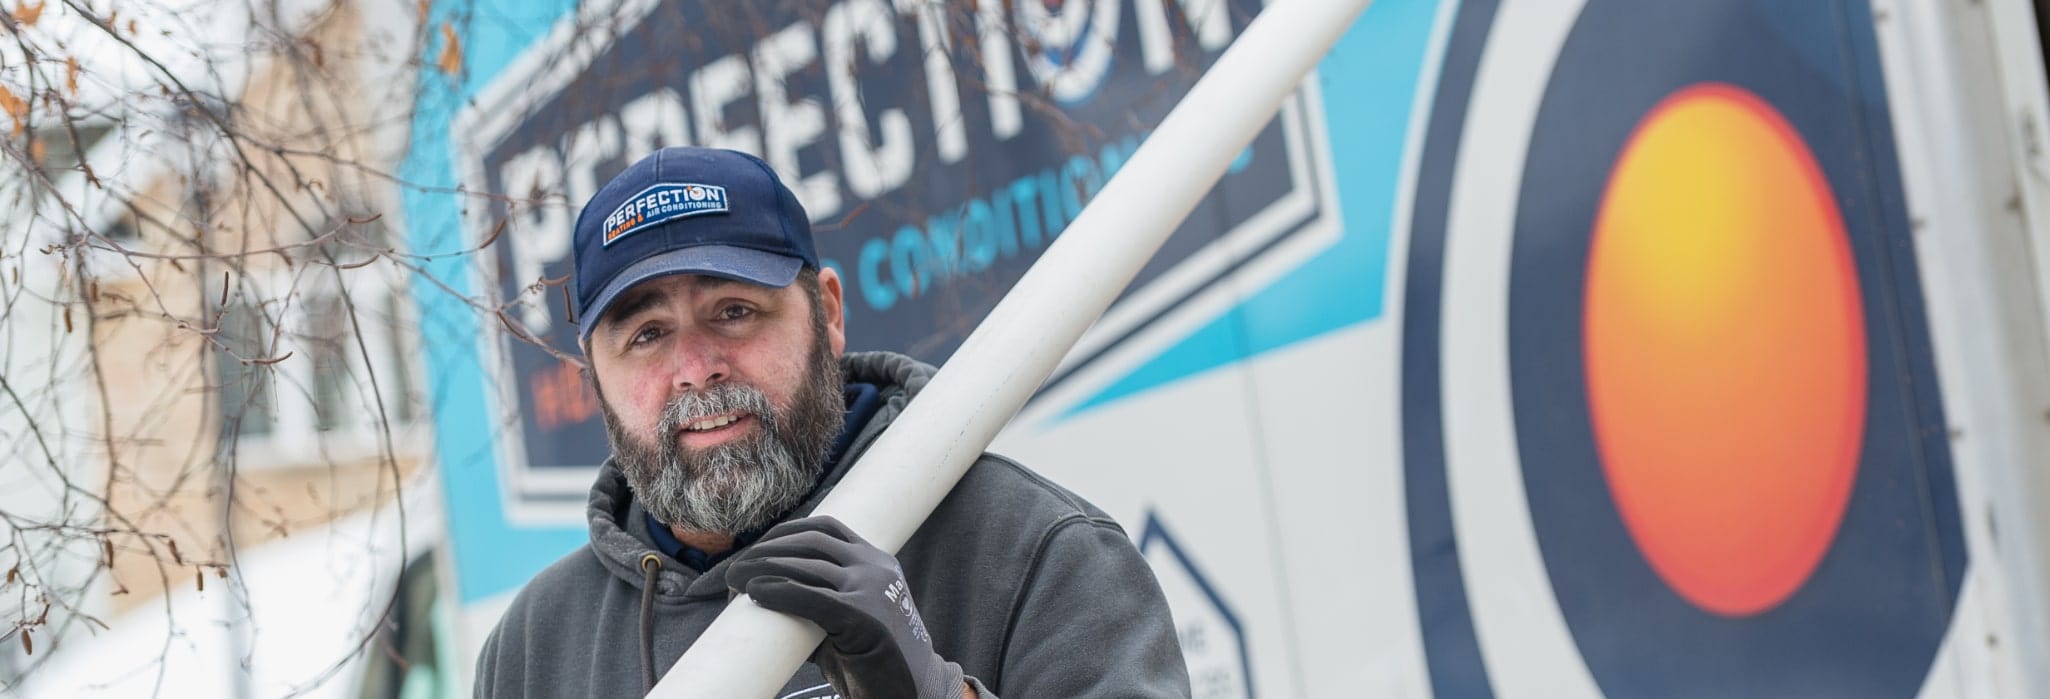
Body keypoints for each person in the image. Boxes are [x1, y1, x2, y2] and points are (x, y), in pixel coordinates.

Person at [473, 146, 1190, 698]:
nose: (695, 367)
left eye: (734, 311)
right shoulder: (536, 650)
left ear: (829, 312)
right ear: (594, 378)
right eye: (647, 335)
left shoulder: (1032, 552)